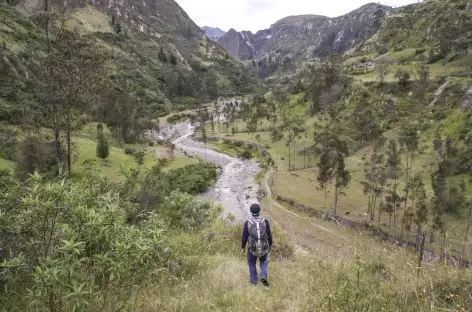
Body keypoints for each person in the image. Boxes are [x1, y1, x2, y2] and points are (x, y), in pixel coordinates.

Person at [241, 203, 273, 286]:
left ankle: (253, 280)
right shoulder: (265, 221)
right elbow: (269, 235)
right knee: (263, 261)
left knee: (251, 262)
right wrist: (270, 245)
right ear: (260, 211)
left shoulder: (248, 223)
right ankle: (263, 275)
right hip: (264, 247)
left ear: (251, 212)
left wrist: (243, 247)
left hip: (252, 248)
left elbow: (244, 237)